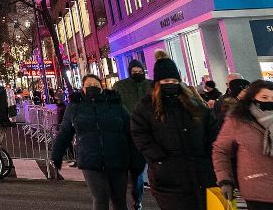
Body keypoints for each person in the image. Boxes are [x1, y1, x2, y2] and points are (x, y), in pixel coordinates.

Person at [130, 56, 220, 210]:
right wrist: (158, 157)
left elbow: (211, 129)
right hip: (168, 175)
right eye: (165, 82)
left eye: (174, 82)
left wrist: (208, 154)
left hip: (201, 171)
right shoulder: (146, 106)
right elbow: (139, 134)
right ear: (157, 83)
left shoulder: (194, 103)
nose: (170, 85)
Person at [51, 75, 141, 210]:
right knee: (100, 198)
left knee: (119, 199)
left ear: (102, 87)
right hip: (90, 160)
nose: (93, 87)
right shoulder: (75, 107)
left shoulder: (114, 104)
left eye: (96, 85)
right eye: (89, 85)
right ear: (82, 88)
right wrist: (56, 154)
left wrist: (137, 157)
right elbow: (64, 132)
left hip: (117, 158)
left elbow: (130, 130)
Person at [212, 79, 273, 210]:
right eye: (264, 97)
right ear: (252, 98)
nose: (269, 101)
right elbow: (220, 150)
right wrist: (225, 180)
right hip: (258, 191)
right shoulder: (237, 121)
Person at [115, 60, 153, 210]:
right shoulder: (121, 87)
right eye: (134, 71)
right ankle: (136, 198)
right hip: (130, 133)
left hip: (150, 132)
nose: (137, 73)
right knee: (136, 169)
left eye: (140, 71)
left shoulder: (151, 85)